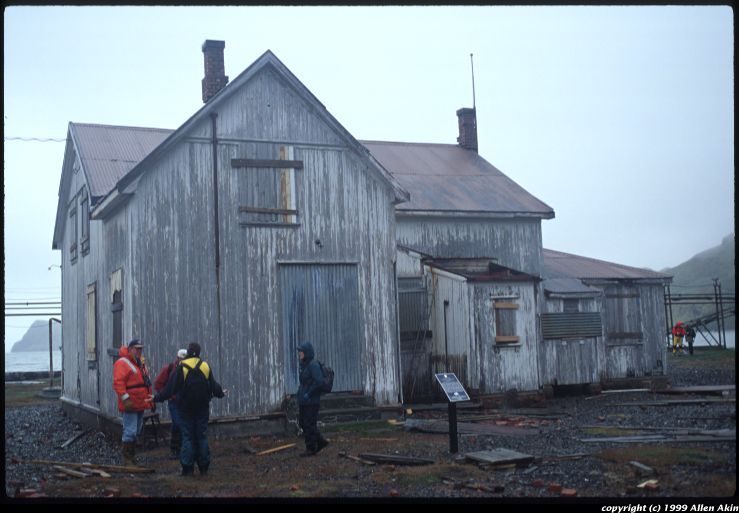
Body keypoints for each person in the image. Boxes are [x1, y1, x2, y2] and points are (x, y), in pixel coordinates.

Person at [153, 342, 227, 476]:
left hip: (185, 409)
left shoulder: (182, 367)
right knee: (201, 436)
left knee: (187, 437)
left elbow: (170, 389)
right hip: (202, 409)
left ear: (188, 352)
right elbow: (213, 386)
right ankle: (204, 467)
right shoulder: (205, 366)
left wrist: (156, 398)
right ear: (199, 352)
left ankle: (188, 468)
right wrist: (221, 393)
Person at [113, 339, 154, 466]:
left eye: (141, 348)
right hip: (130, 403)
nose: (139, 351)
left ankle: (131, 457)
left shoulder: (140, 364)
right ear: (130, 349)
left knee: (136, 431)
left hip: (140, 403)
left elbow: (146, 383)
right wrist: (126, 399)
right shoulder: (122, 363)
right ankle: (128, 459)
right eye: (137, 348)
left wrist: (150, 400)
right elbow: (118, 383)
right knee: (130, 431)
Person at [296, 341, 329, 457]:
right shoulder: (304, 365)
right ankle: (320, 441)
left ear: (307, 352)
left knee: (309, 424)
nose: (299, 353)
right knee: (303, 423)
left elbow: (319, 382)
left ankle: (311, 448)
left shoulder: (313, 365)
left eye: (301, 351)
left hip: (312, 401)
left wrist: (309, 393)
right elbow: (305, 382)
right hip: (304, 401)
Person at [154, 348, 187, 458]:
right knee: (178, 423)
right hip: (174, 402)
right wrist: (167, 395)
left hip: (185, 401)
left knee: (180, 424)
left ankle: (179, 449)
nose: (183, 361)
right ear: (177, 358)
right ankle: (176, 449)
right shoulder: (169, 369)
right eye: (181, 359)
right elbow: (158, 384)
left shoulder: (188, 369)